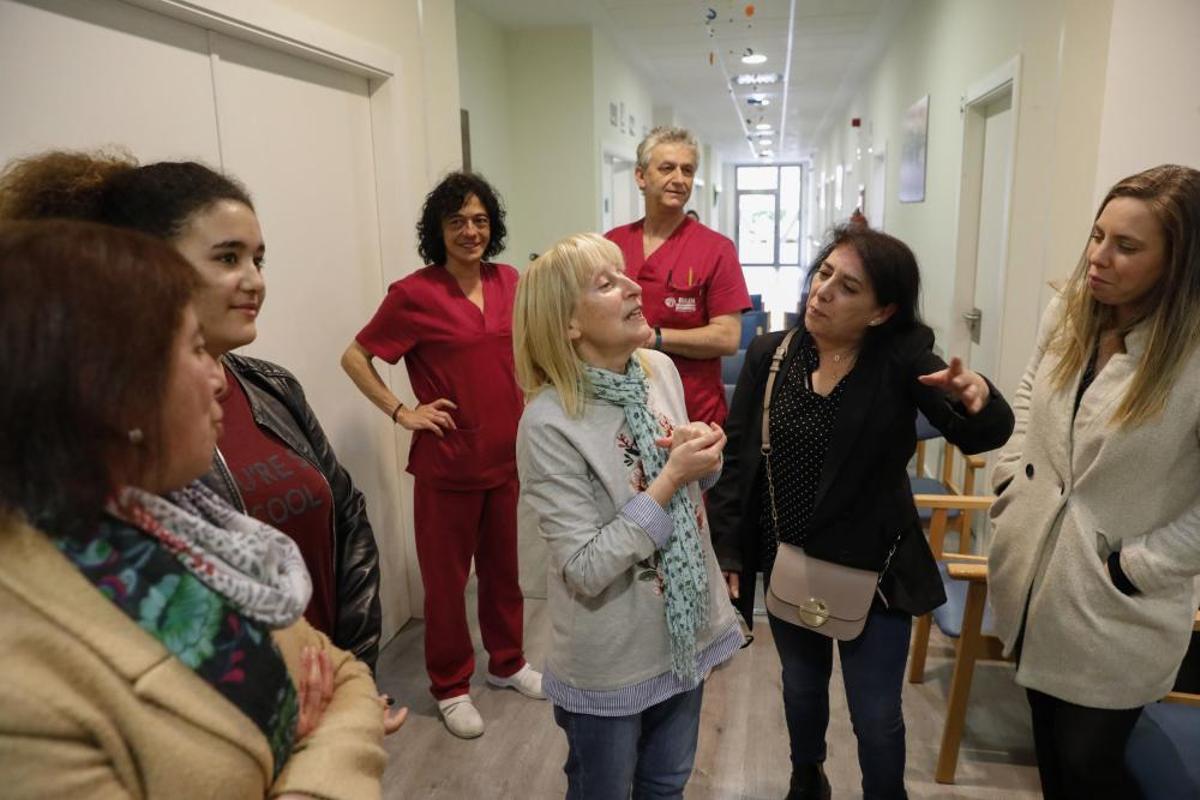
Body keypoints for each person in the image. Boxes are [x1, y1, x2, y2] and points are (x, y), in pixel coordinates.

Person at [0, 220, 386, 799]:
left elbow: (348, 680)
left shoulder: (176, 527)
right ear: (114, 389)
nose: (219, 381)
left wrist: (308, 746)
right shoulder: (21, 681)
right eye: (197, 349)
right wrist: (299, 759)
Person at [0, 151, 384, 670]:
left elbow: (346, 511)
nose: (254, 280)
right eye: (227, 258)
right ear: (149, 268)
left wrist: (354, 664)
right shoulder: (113, 430)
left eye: (258, 260)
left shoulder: (272, 386)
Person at [707, 225, 1014, 800]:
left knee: (876, 716)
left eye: (848, 287)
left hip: (876, 570)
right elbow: (740, 458)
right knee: (801, 690)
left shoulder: (902, 361)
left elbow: (978, 433)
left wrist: (977, 398)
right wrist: (729, 549)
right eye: (824, 273)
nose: (823, 291)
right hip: (790, 560)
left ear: (881, 312)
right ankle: (807, 778)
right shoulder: (772, 355)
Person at [987, 165, 1200, 800]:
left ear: (1179, 261)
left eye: (1126, 246)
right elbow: (1032, 390)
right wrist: (1011, 476)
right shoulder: (1071, 310)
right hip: (1037, 572)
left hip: (1118, 599)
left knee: (1090, 765)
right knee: (1051, 753)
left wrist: (1139, 567)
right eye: (1097, 235)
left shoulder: (1192, 355)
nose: (1098, 258)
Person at [513, 232, 743, 799]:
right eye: (606, 283)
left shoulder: (658, 369)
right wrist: (669, 480)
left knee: (666, 786)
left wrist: (702, 456)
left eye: (624, 273)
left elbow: (691, 493)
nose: (633, 287)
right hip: (613, 656)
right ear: (569, 323)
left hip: (683, 633)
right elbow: (586, 567)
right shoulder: (548, 422)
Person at [342, 172, 541, 738]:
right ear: (438, 230)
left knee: (504, 573)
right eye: (457, 222)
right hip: (447, 462)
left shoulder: (510, 281)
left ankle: (507, 663)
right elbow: (355, 357)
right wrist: (402, 411)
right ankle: (451, 687)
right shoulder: (413, 294)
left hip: (504, 457)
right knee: (447, 585)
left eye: (480, 220)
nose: (470, 231)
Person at [606, 126, 751, 427]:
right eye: (667, 168)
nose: (679, 179)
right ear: (641, 176)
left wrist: (656, 338)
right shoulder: (612, 243)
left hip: (692, 412)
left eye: (687, 170)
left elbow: (727, 337)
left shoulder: (716, 248)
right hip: (620, 407)